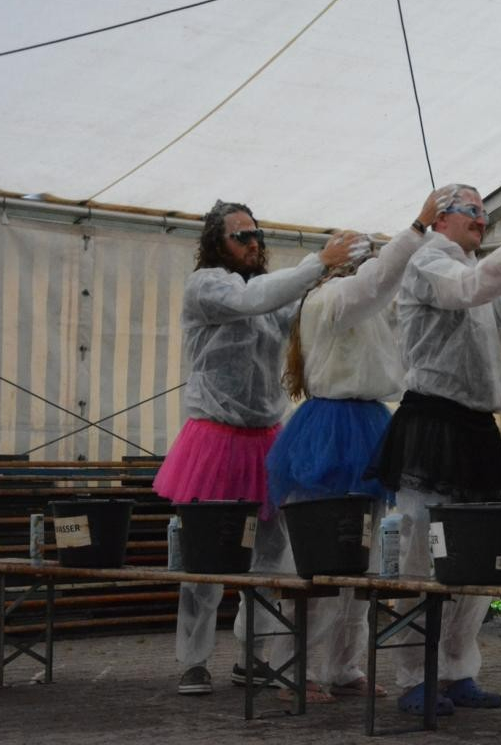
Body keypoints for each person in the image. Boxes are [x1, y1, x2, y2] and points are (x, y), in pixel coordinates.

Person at [372, 184, 501, 717]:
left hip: (478, 426)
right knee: (422, 550)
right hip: (433, 421)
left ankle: (458, 668)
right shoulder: (427, 261)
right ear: (440, 219)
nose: (482, 219)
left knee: (480, 556)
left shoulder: (482, 268)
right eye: (472, 211)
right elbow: (467, 289)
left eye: (485, 211)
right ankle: (415, 675)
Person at [153, 200, 359, 696]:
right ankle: (194, 661)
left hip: (264, 436)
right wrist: (318, 262)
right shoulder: (207, 286)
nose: (253, 243)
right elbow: (254, 300)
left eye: (256, 235)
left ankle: (255, 656)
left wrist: (337, 278)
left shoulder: (267, 292)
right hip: (214, 438)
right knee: (205, 560)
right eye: (241, 236)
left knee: (272, 555)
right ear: (216, 243)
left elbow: (298, 311)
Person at [262, 190, 443, 704]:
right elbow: (376, 283)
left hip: (365, 423)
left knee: (361, 556)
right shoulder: (332, 298)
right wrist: (417, 229)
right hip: (332, 430)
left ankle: (341, 665)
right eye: (365, 257)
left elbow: (384, 291)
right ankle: (293, 668)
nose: (373, 266)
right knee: (319, 559)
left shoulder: (362, 304)